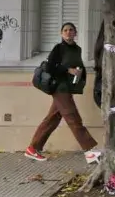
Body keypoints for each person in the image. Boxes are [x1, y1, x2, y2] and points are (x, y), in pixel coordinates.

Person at [24, 22, 101, 165]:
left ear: (75, 33)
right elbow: (49, 67)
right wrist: (68, 70)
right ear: (61, 34)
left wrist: (79, 72)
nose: (68, 32)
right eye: (65, 30)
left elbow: (78, 66)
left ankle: (32, 149)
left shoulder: (77, 49)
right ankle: (89, 151)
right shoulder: (58, 48)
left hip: (68, 88)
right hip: (59, 88)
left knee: (51, 119)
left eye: (71, 30)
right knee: (73, 118)